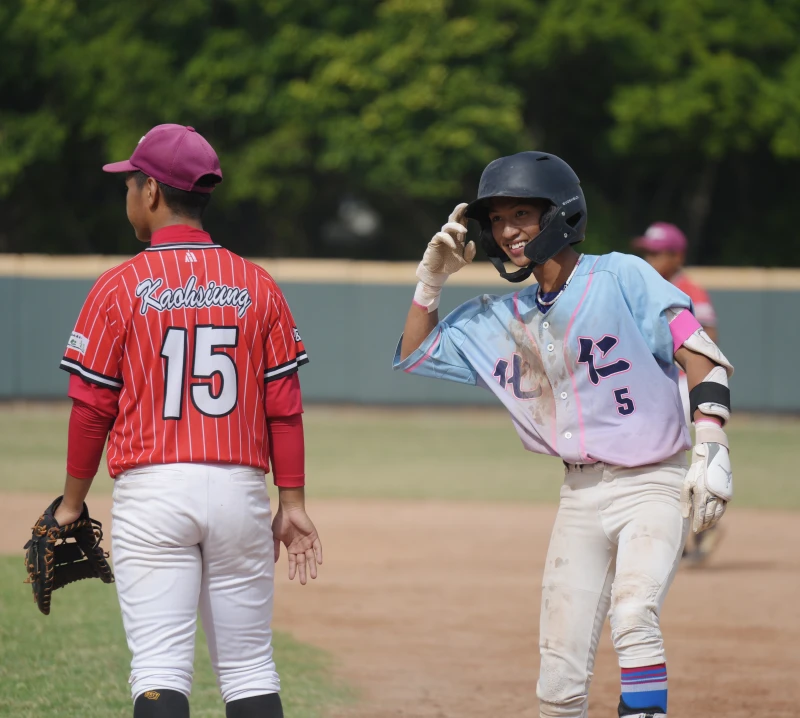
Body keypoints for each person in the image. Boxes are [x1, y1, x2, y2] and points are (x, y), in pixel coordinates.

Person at [393, 151, 733, 718]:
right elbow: (415, 353)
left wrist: (713, 442)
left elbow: (701, 353)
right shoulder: (506, 316)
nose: (507, 231)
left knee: (633, 615)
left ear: (561, 214)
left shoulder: (622, 274)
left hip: (653, 482)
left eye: (522, 213)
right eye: (498, 219)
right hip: (578, 496)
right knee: (558, 674)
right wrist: (430, 282)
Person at [55, 124, 322, 718]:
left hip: (152, 493)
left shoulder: (118, 287)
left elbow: (91, 408)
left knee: (158, 667)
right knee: (250, 666)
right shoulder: (258, 285)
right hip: (240, 492)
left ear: (151, 193)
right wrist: (294, 502)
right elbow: (285, 404)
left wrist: (72, 503)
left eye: (129, 183)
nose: (127, 194)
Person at [632, 223, 723, 566]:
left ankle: (697, 529)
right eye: (648, 251)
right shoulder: (641, 286)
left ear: (677, 256)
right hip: (653, 385)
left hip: (682, 384)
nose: (650, 257)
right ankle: (690, 532)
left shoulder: (690, 290)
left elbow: (709, 339)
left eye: (658, 252)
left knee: (676, 458)